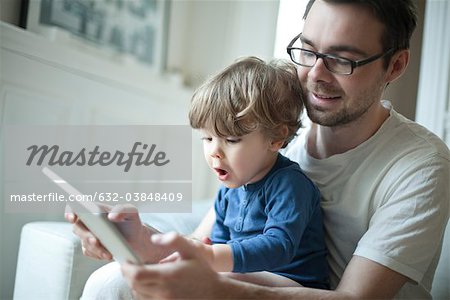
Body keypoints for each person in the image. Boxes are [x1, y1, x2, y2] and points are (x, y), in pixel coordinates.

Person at [68, 0, 450, 299]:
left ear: (396, 65)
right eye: (308, 50)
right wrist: (134, 237)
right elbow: (206, 242)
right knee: (114, 281)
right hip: (253, 283)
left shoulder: (421, 166)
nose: (315, 74)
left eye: (342, 59)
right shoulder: (269, 133)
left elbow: (354, 298)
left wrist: (215, 289)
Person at [185, 56, 329, 288]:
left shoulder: (290, 185)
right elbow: (221, 243)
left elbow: (279, 246)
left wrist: (212, 258)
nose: (214, 151)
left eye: (231, 140)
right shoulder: (228, 192)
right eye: (208, 138)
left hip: (295, 285)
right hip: (248, 277)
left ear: (276, 138)